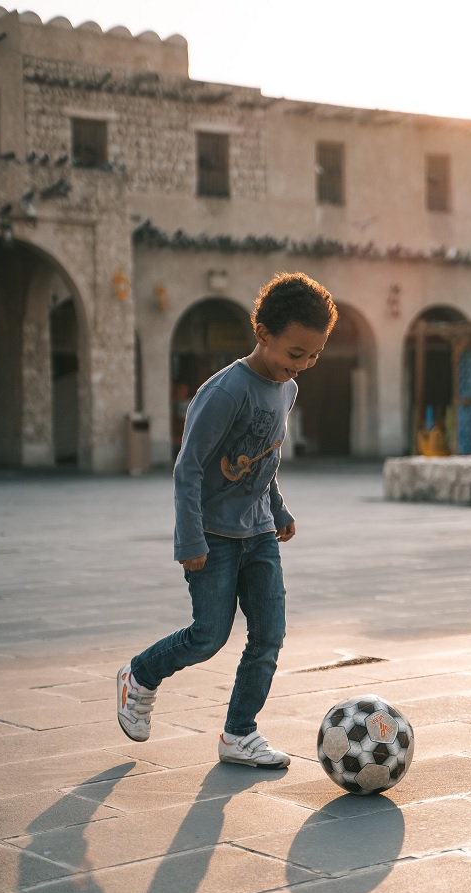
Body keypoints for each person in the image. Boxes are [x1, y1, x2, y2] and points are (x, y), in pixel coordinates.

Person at [117, 272, 338, 768]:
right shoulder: (225, 391)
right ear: (263, 334)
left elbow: (264, 455)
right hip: (213, 537)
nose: (302, 365)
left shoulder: (287, 389)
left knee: (268, 635)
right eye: (295, 353)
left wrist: (277, 508)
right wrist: (189, 537)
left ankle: (239, 733)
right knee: (208, 636)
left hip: (259, 532)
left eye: (314, 355)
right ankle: (140, 676)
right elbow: (189, 468)